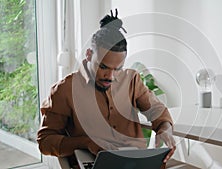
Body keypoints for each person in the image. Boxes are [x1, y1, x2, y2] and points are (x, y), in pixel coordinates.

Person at [37, 9, 176, 168]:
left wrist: (165, 129)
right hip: (94, 163)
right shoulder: (65, 90)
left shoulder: (131, 80)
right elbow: (45, 141)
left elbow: (157, 111)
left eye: (118, 69)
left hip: (135, 164)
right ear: (89, 54)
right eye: (103, 67)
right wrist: (86, 142)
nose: (110, 76)